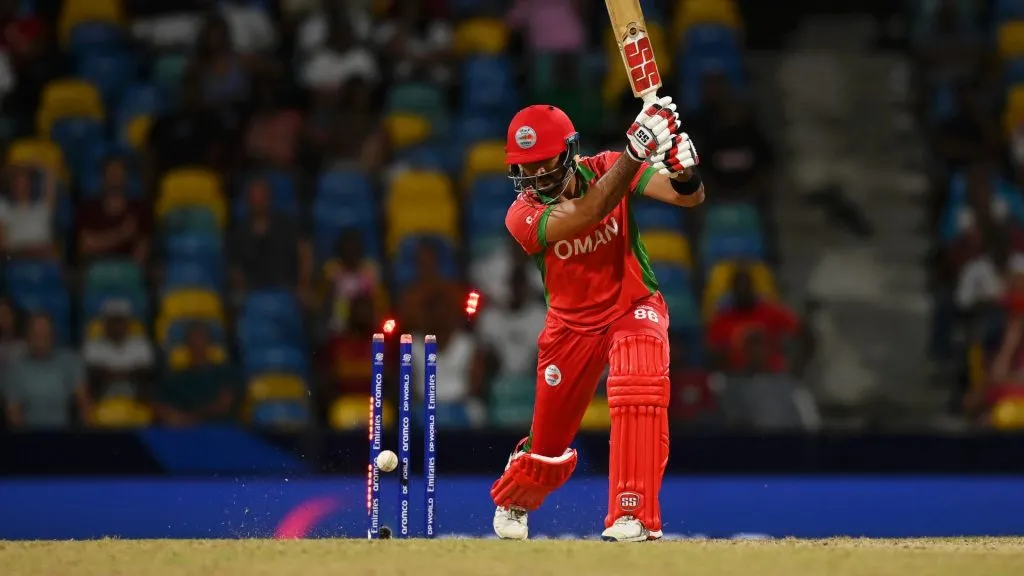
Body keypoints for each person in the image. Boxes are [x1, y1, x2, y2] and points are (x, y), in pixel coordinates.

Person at [489, 99, 702, 542]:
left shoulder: (606, 165)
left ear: (569, 152)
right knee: (548, 444)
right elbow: (589, 212)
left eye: (544, 163)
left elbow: (688, 196)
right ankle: (517, 496)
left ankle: (633, 513)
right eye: (526, 168)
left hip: (631, 305)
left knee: (639, 379)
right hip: (570, 328)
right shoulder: (521, 216)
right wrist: (637, 150)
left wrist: (683, 170)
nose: (536, 177)